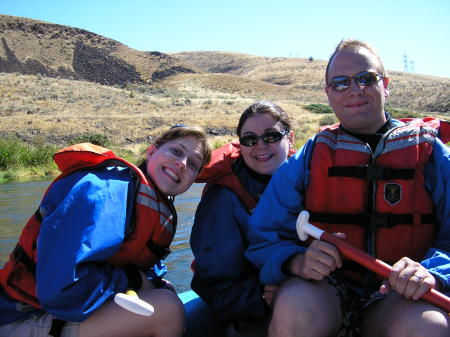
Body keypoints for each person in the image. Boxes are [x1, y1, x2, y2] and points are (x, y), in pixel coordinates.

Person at [245, 39, 450, 337]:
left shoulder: (431, 153)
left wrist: (433, 271)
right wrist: (296, 261)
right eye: (340, 83)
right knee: (294, 305)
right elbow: (264, 237)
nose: (355, 90)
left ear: (386, 85)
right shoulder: (310, 157)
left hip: (397, 297)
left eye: (366, 78)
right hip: (328, 290)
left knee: (428, 327)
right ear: (328, 94)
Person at [0, 125, 212, 337]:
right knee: (168, 310)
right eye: (176, 151)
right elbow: (61, 288)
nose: (182, 163)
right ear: (151, 151)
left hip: (61, 308)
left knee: (165, 292)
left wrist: (150, 282)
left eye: (193, 164)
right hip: (23, 317)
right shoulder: (103, 190)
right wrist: (133, 281)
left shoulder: (147, 200)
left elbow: (137, 260)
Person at [186, 101, 295, 337]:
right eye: (250, 139)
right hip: (250, 307)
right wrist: (262, 296)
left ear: (291, 138)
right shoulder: (225, 198)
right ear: (241, 145)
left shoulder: (309, 180)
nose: (260, 146)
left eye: (271, 136)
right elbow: (216, 285)